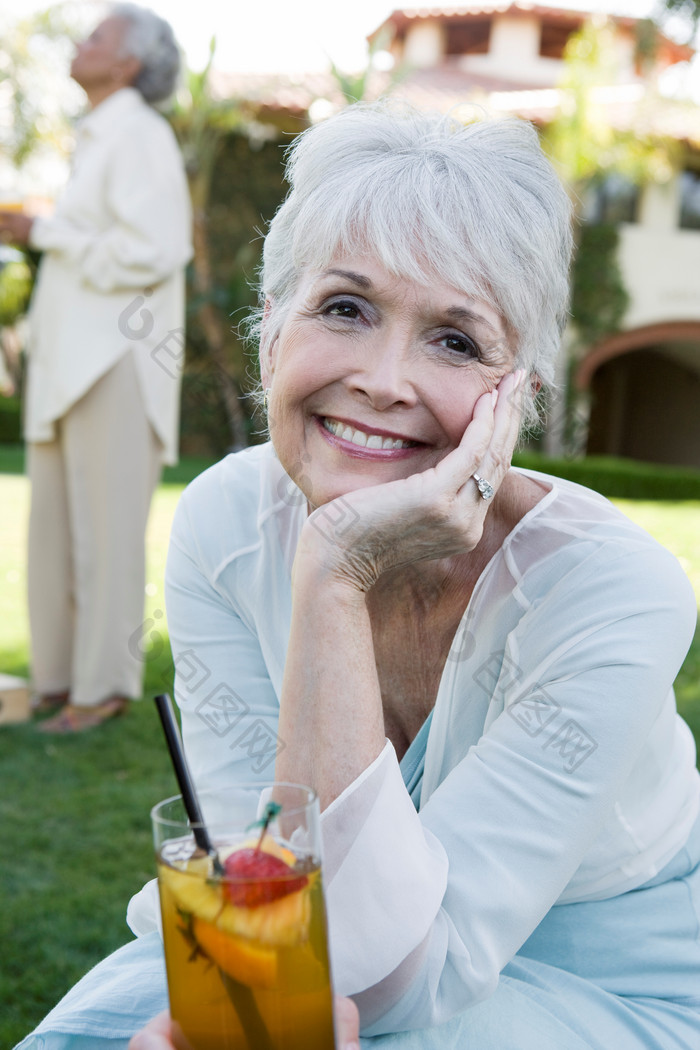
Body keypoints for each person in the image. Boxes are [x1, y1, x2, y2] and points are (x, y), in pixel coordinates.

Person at [15, 100, 700, 1048]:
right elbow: (259, 898)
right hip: (321, 952)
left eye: (456, 340)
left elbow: (377, 988)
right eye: (345, 308)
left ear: (519, 404)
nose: (384, 379)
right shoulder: (225, 523)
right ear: (272, 331)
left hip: (606, 982)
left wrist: (337, 569)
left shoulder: (614, 593)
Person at [0, 4, 192, 732]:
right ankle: (54, 680)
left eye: (98, 37)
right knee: (51, 529)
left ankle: (103, 687)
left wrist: (44, 230)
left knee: (106, 536)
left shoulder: (140, 133)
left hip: (115, 362)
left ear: (128, 64)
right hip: (68, 364)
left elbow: (157, 247)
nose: (83, 42)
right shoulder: (99, 137)